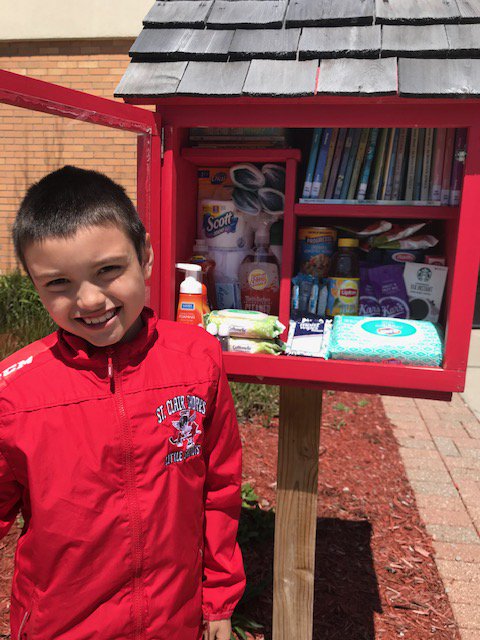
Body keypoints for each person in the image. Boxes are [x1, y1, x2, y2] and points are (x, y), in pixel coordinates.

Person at [0, 166, 245, 640]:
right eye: (58, 283)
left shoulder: (198, 359)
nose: (89, 299)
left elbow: (220, 488)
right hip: (60, 627)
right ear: (34, 284)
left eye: (108, 270)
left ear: (146, 256)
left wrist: (219, 599)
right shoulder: (14, 393)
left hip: (174, 622)